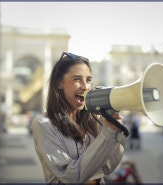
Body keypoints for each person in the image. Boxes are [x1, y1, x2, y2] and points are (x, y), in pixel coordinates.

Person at [32, 52, 126, 184]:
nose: (85, 86)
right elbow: (71, 176)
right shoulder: (43, 124)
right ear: (59, 83)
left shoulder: (93, 120)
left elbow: (107, 166)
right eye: (77, 79)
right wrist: (106, 134)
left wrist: (115, 133)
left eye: (88, 80)